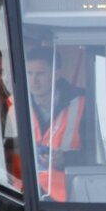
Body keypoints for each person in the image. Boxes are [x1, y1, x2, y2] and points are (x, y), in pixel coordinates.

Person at [25, 46, 88, 201]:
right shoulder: (15, 105)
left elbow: (97, 156)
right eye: (29, 74)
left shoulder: (81, 104)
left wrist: (65, 159)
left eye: (40, 74)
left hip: (68, 199)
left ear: (56, 74)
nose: (34, 81)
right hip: (25, 197)